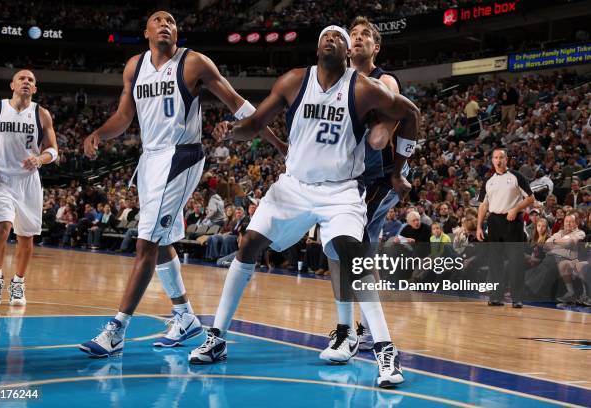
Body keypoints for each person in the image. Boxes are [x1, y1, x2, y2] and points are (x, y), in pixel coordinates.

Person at [188, 25, 420, 389]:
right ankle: (217, 337)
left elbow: (411, 114)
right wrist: (234, 133)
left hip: (341, 190)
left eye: (339, 38)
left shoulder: (363, 88)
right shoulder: (294, 80)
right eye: (327, 36)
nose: (333, 39)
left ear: (347, 54)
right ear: (316, 49)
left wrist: (399, 169)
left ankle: (387, 351)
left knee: (351, 255)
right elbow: (256, 122)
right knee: (249, 243)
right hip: (294, 186)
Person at [78, 11, 284, 357]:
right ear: (146, 31)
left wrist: (278, 144)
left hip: (182, 155)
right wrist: (99, 133)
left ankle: (116, 330)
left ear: (177, 32)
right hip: (150, 159)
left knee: (145, 244)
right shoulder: (134, 67)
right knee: (161, 243)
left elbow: (238, 104)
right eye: (157, 20)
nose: (165, 24)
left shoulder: (194, 63)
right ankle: (186, 317)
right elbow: (124, 117)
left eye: (171, 21)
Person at [323, 16, 417, 358]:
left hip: (379, 177)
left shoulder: (384, 79)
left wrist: (398, 169)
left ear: (376, 47)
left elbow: (383, 136)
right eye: (354, 35)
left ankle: (357, 332)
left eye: (365, 35)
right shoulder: (336, 82)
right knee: (343, 248)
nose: (358, 38)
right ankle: (354, 327)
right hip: (348, 179)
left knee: (351, 246)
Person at [0, 69, 58, 308]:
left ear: (34, 89)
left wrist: (40, 159)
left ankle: (18, 283)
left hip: (28, 181)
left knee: (26, 237)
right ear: (12, 84)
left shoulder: (42, 115)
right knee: (2, 227)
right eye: (22, 78)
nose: (26, 82)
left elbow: (53, 150)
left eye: (31, 80)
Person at [477, 148, 535, 308]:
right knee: (495, 262)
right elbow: (483, 205)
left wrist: (516, 209)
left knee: (516, 261)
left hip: (513, 221)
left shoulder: (517, 177)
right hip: (494, 221)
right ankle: (496, 297)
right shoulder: (488, 181)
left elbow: (531, 198)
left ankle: (517, 298)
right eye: (495, 157)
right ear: (492, 160)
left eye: (501, 157)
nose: (498, 160)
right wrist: (479, 226)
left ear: (506, 159)